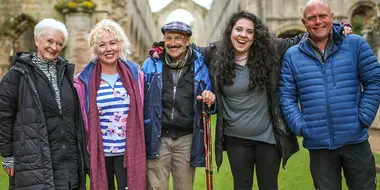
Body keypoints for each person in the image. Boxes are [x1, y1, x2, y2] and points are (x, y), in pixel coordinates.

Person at [279, 0, 380, 189]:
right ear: (304, 22)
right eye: (312, 18)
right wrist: (301, 126)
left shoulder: (355, 44)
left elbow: (375, 81)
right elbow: (286, 95)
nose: (318, 21)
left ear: (331, 17)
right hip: (319, 146)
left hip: (355, 140)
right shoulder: (292, 56)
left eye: (322, 16)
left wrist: (363, 117)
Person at [0, 18, 88, 190]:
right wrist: (8, 155)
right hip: (32, 159)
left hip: (67, 160)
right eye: (49, 41)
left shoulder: (67, 74)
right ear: (37, 39)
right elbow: (3, 116)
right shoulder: (17, 75)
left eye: (59, 43)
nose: (54, 47)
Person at [142, 21, 216, 190]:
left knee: (184, 187)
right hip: (158, 137)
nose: (173, 43)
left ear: (187, 41)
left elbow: (210, 102)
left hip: (186, 139)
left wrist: (210, 98)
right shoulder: (151, 64)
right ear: (164, 40)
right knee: (156, 187)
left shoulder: (200, 66)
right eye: (169, 38)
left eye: (178, 38)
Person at [74, 19, 146, 190]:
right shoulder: (83, 82)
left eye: (112, 43)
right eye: (102, 45)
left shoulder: (136, 76)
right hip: (100, 153)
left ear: (120, 45)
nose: (108, 49)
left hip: (127, 152)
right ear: (95, 50)